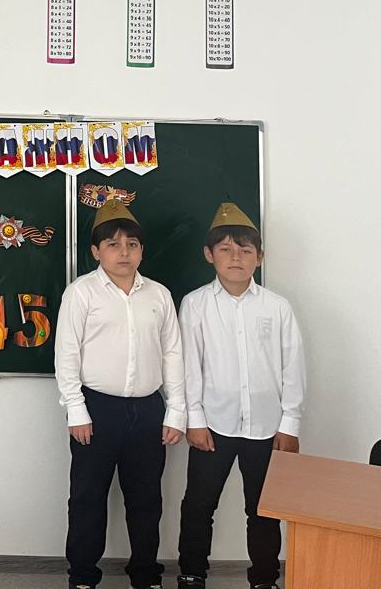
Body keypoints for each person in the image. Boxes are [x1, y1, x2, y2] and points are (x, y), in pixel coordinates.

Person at [55, 199, 185, 589]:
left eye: (131, 244)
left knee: (146, 500)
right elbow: (67, 354)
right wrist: (76, 410)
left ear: (141, 250)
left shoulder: (159, 295)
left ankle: (145, 575)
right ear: (96, 251)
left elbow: (172, 352)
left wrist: (175, 410)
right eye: (113, 244)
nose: (123, 252)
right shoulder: (81, 293)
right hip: (96, 409)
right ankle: (82, 576)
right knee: (87, 497)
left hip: (148, 410)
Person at [177, 203, 305, 589]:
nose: (236, 258)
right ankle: (192, 573)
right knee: (199, 505)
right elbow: (189, 366)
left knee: (263, 509)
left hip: (267, 427)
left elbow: (292, 366)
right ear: (209, 255)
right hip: (213, 425)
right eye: (226, 249)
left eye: (246, 250)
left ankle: (264, 579)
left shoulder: (277, 307)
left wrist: (290, 423)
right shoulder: (195, 304)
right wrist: (194, 420)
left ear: (259, 257)